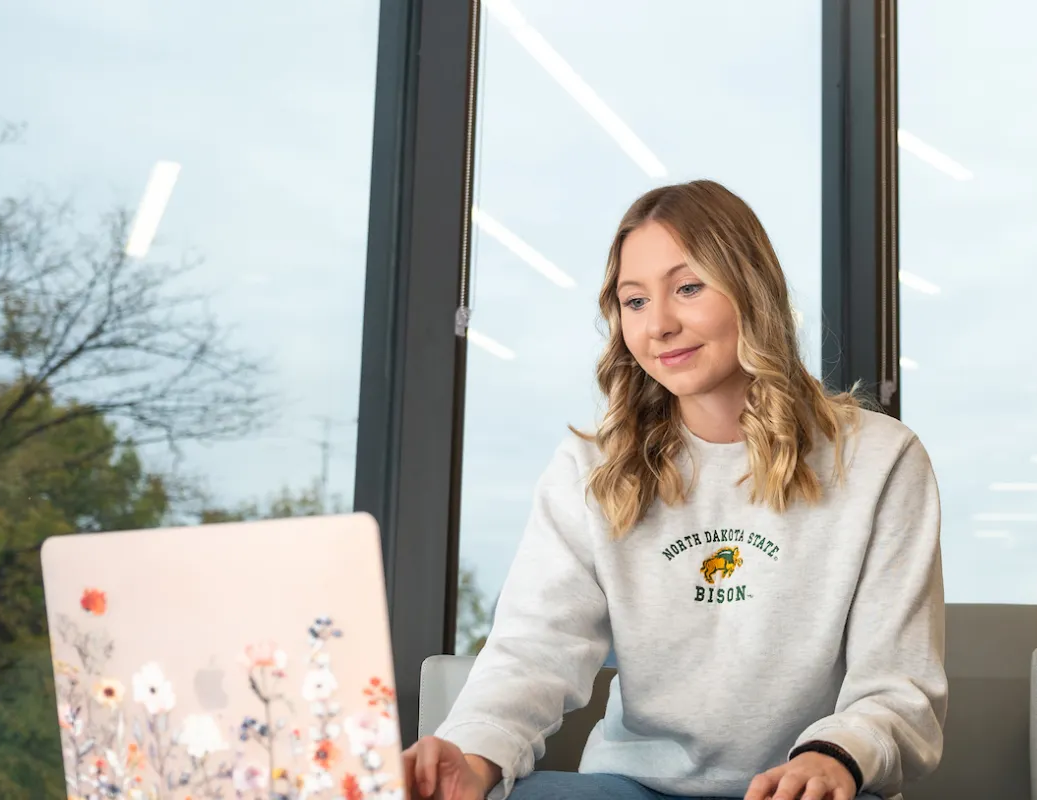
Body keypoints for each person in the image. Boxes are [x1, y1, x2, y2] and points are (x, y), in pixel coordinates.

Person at [404, 180, 947, 800]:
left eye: (688, 288)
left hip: (808, 785)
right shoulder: (590, 466)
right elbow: (533, 651)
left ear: (751, 290)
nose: (658, 325)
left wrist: (835, 758)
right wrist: (474, 758)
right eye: (635, 301)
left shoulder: (881, 460)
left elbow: (897, 686)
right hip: (628, 786)